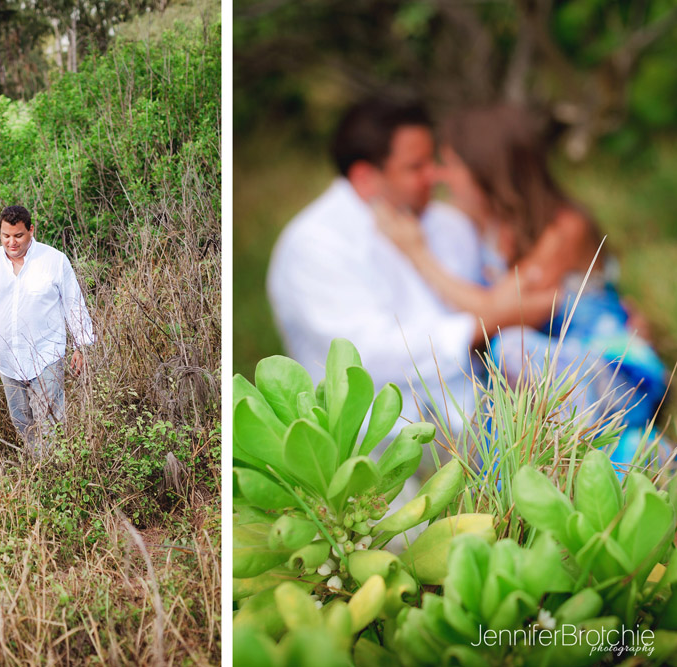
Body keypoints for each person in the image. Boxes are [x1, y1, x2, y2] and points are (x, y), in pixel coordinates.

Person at [375, 104, 668, 463]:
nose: (439, 175)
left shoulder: (563, 228)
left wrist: (417, 253)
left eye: (449, 164)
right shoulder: (490, 228)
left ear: (486, 169)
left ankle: (580, 459)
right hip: (559, 381)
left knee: (511, 347)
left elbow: (493, 312)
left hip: (616, 374)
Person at [267, 98, 518, 433]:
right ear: (365, 177)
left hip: (482, 413)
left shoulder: (449, 223)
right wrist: (481, 324)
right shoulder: (314, 244)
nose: (434, 175)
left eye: (433, 160)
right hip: (377, 439)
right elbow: (366, 354)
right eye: (416, 167)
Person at [0, 205, 95, 458]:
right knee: (21, 419)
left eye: (18, 236)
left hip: (47, 353)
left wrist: (82, 346)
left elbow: (74, 303)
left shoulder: (54, 260)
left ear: (31, 230)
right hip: (7, 357)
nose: (11, 242)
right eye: (5, 236)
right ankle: (40, 465)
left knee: (49, 420)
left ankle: (53, 471)